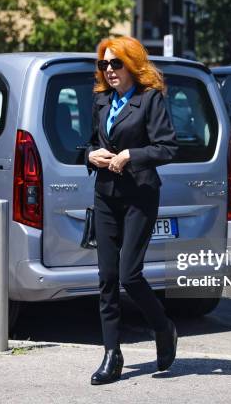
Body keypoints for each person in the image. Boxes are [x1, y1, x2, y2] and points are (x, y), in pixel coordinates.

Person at [84, 36, 179, 385]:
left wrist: (131, 155)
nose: (109, 71)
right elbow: (91, 142)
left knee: (129, 275)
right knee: (106, 278)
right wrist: (90, 156)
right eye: (103, 65)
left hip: (139, 195)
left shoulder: (149, 99)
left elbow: (167, 147)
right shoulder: (100, 101)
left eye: (115, 64)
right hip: (105, 195)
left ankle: (163, 327)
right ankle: (112, 354)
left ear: (131, 64)